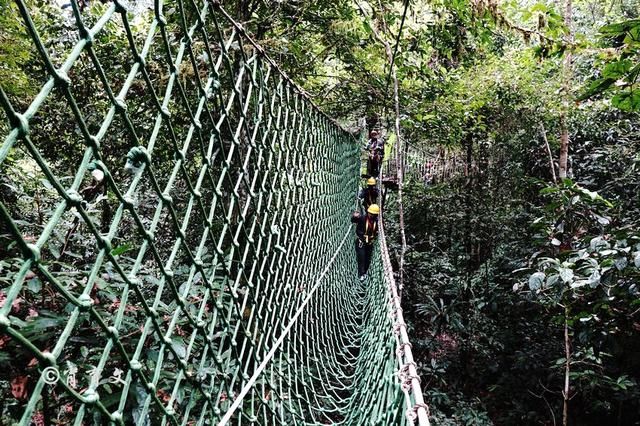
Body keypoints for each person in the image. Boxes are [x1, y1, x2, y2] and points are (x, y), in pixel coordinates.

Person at [351, 203, 380, 281]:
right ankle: (361, 274)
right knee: (361, 258)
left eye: (373, 214)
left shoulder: (376, 222)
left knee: (368, 259)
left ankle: (365, 273)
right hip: (361, 242)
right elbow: (353, 220)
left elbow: (377, 230)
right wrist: (354, 216)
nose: (371, 215)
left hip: (370, 243)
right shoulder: (363, 218)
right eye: (370, 213)